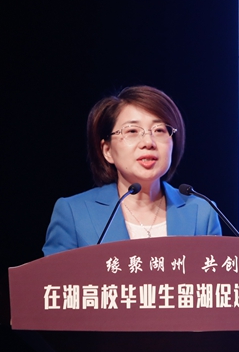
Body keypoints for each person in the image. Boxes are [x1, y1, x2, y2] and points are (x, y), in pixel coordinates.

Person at [42, 85, 221, 256]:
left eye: (159, 130)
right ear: (107, 151)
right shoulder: (74, 213)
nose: (148, 142)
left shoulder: (202, 212)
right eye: (132, 131)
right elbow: (53, 277)